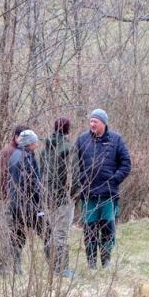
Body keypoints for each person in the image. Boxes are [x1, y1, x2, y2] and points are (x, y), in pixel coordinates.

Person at [74, 108, 132, 268]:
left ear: (103, 123)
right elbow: (74, 165)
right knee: (89, 230)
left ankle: (106, 262)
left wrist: (114, 180)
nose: (92, 124)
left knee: (107, 229)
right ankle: (91, 264)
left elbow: (126, 164)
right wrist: (80, 181)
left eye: (95, 121)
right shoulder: (82, 140)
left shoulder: (116, 139)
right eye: (91, 121)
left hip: (108, 195)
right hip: (88, 195)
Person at [0, 129, 45, 274]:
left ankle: (15, 268)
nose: (37, 144)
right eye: (35, 141)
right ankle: (57, 268)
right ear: (29, 143)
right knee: (47, 233)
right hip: (27, 204)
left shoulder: (15, 155)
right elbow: (32, 183)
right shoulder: (26, 158)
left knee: (17, 236)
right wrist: (39, 207)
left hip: (15, 204)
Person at [41, 117, 75, 277]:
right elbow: (74, 174)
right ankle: (62, 268)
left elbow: (39, 174)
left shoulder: (44, 150)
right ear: (68, 130)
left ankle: (53, 265)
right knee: (61, 233)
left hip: (47, 198)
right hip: (63, 198)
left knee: (51, 232)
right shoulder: (69, 148)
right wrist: (74, 195)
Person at [0, 124, 29, 201]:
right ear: (16, 137)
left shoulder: (22, 151)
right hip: (8, 199)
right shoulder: (8, 152)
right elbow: (2, 177)